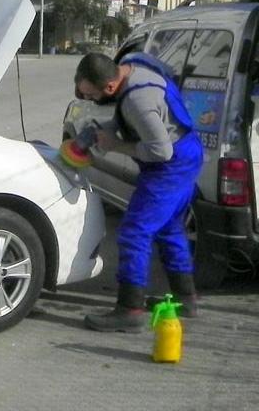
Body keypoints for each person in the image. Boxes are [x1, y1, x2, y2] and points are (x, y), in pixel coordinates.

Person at [73, 52, 204, 332]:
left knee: (135, 230)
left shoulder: (137, 100)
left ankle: (130, 309)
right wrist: (104, 130)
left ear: (109, 87)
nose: (91, 101)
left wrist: (114, 145)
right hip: (186, 154)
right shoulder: (134, 69)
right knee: (169, 228)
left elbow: (161, 151)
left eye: (92, 95)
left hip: (171, 165)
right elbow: (130, 119)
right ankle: (186, 299)